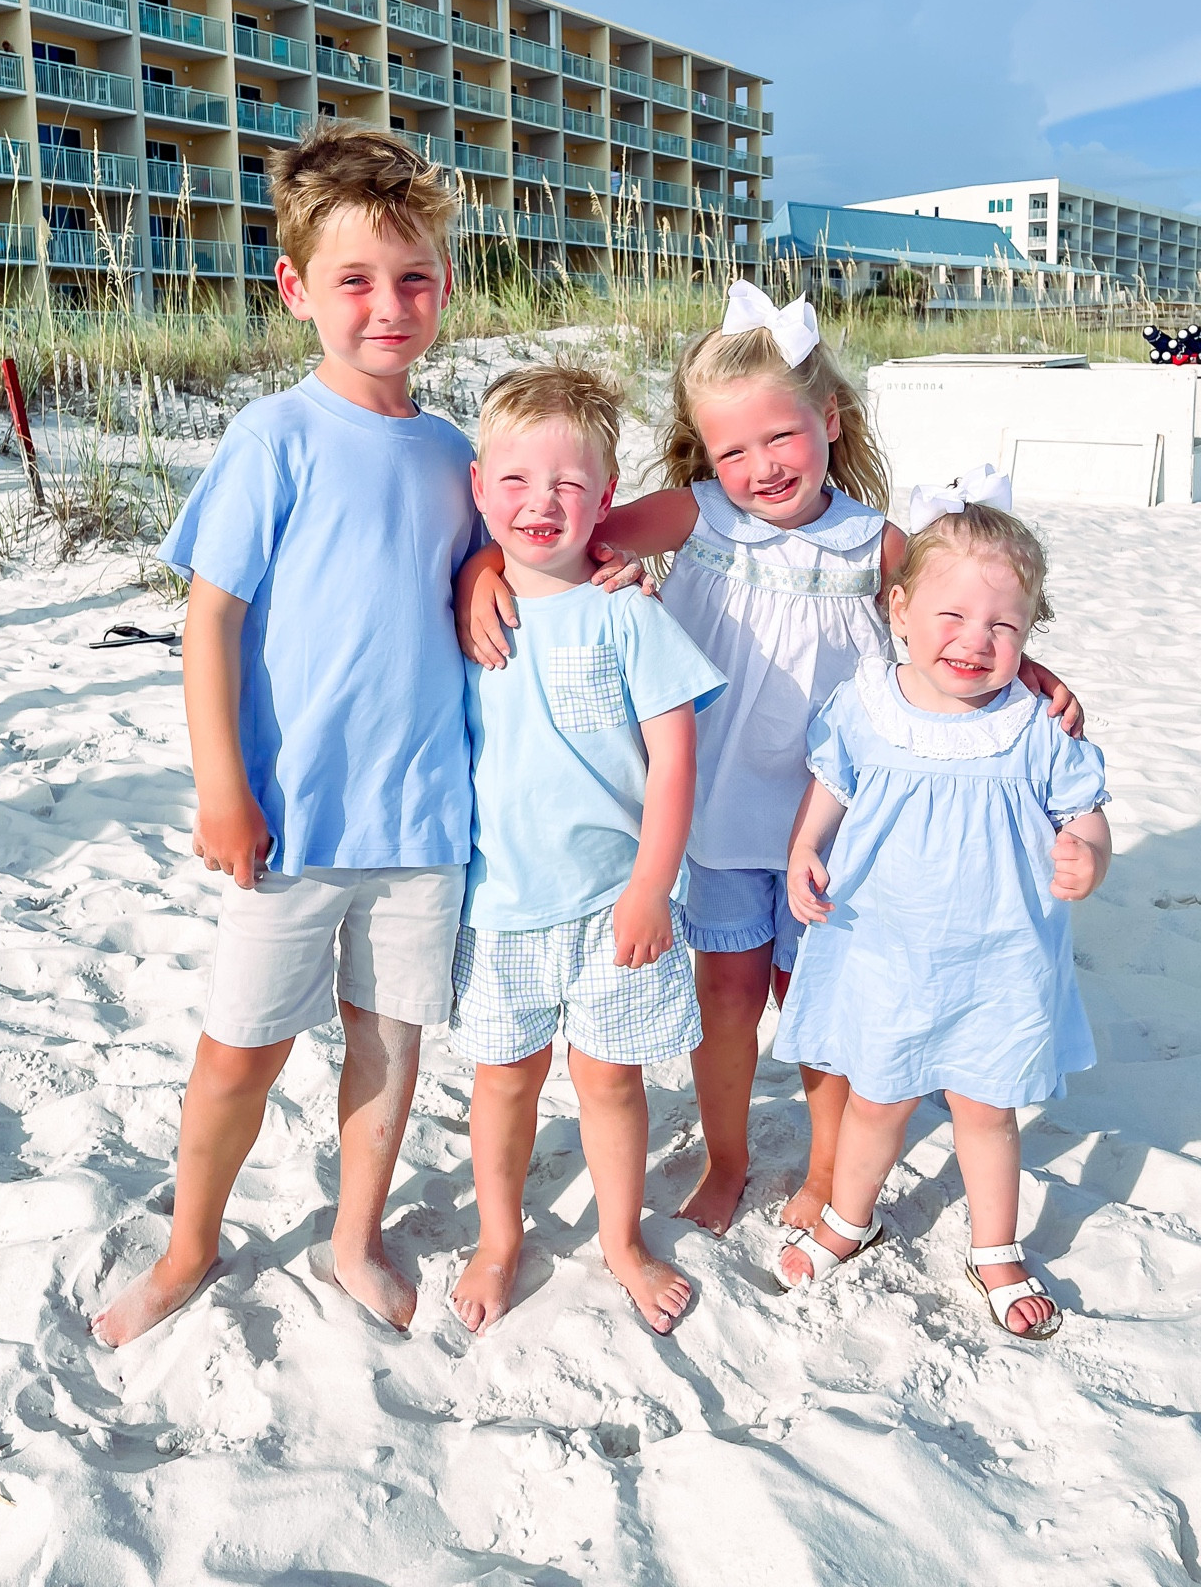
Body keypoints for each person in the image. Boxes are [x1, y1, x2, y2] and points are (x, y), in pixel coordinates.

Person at [460, 281, 1084, 1240]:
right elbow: (558, 542)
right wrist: (478, 572)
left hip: (835, 824)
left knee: (818, 1002)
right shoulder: (698, 516)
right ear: (707, 456)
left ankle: (829, 1171)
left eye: (781, 437)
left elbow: (961, 612)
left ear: (828, 418)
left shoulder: (875, 543)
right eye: (733, 450)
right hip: (714, 811)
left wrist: (1027, 667)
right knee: (728, 995)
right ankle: (729, 1159)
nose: (761, 467)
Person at [91, 121, 483, 1346]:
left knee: (388, 1043)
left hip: (423, 817)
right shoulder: (276, 434)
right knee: (240, 1050)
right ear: (294, 288)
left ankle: (353, 1235)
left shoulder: (459, 453)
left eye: (412, 277)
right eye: (355, 279)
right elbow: (211, 619)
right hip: (295, 816)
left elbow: (495, 566)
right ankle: (189, 1244)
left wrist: (486, 571)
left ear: (446, 283)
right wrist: (224, 785)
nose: (388, 305)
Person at [775, 489, 1111, 1339]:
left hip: (1001, 959)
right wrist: (806, 845)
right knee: (876, 1100)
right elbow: (832, 786)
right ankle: (849, 1219)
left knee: (987, 1111)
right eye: (951, 616)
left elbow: (1083, 808)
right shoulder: (865, 705)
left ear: (1029, 634)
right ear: (899, 610)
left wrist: (1089, 851)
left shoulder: (1036, 722)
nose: (974, 640)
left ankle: (995, 1248)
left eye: (1003, 626)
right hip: (886, 948)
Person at [449, 365, 726, 1337]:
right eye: (516, 481)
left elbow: (676, 758)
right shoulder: (466, 610)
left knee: (610, 1080)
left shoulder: (627, 609)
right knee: (505, 1079)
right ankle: (498, 1237)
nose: (541, 502)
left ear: (606, 499)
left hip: (617, 902)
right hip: (500, 904)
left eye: (569, 484)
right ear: (479, 488)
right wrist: (473, 573)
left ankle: (621, 1239)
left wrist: (652, 885)